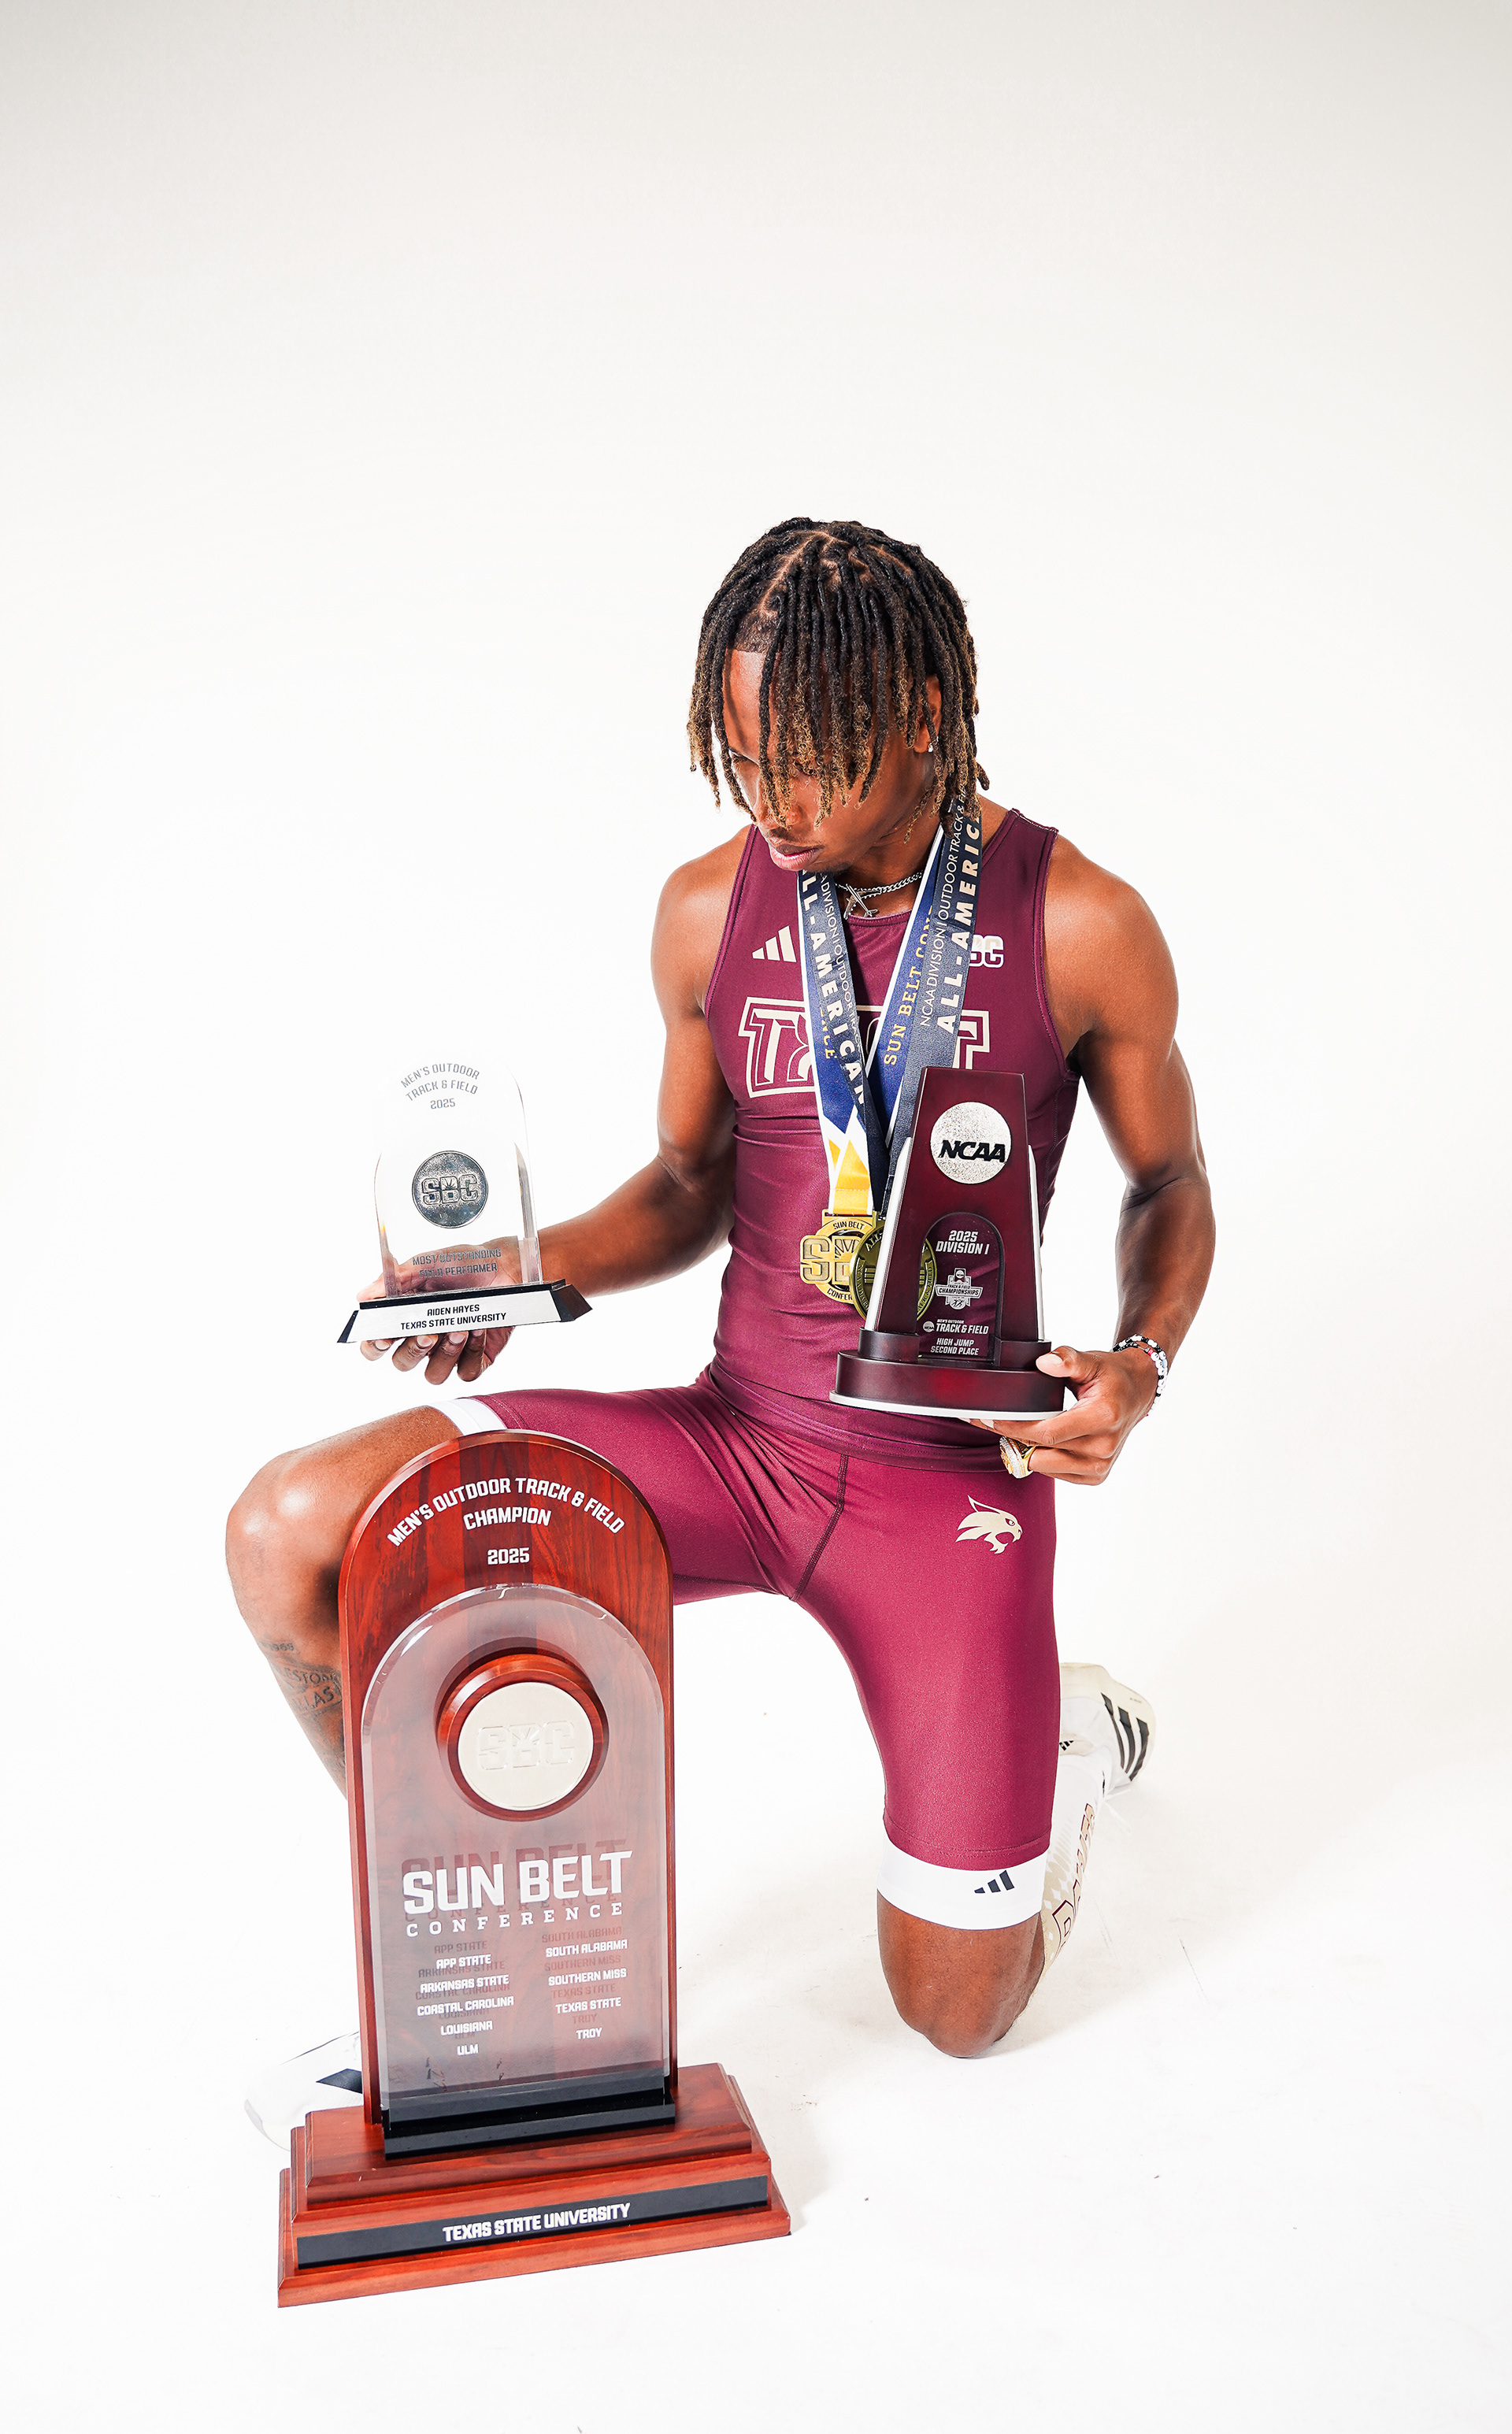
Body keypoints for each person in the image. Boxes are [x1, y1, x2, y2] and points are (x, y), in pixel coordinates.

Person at [227, 517, 1214, 2065]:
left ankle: (1066, 1746)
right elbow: (689, 1186)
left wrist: (1140, 1362)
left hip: (950, 1485)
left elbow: (1170, 1186)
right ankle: (476, 1908)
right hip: (732, 1443)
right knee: (295, 1530)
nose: (773, 806)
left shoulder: (1080, 921)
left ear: (927, 714)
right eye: (741, 764)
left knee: (960, 2019)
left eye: (809, 764)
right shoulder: (709, 906)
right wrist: (517, 1272)